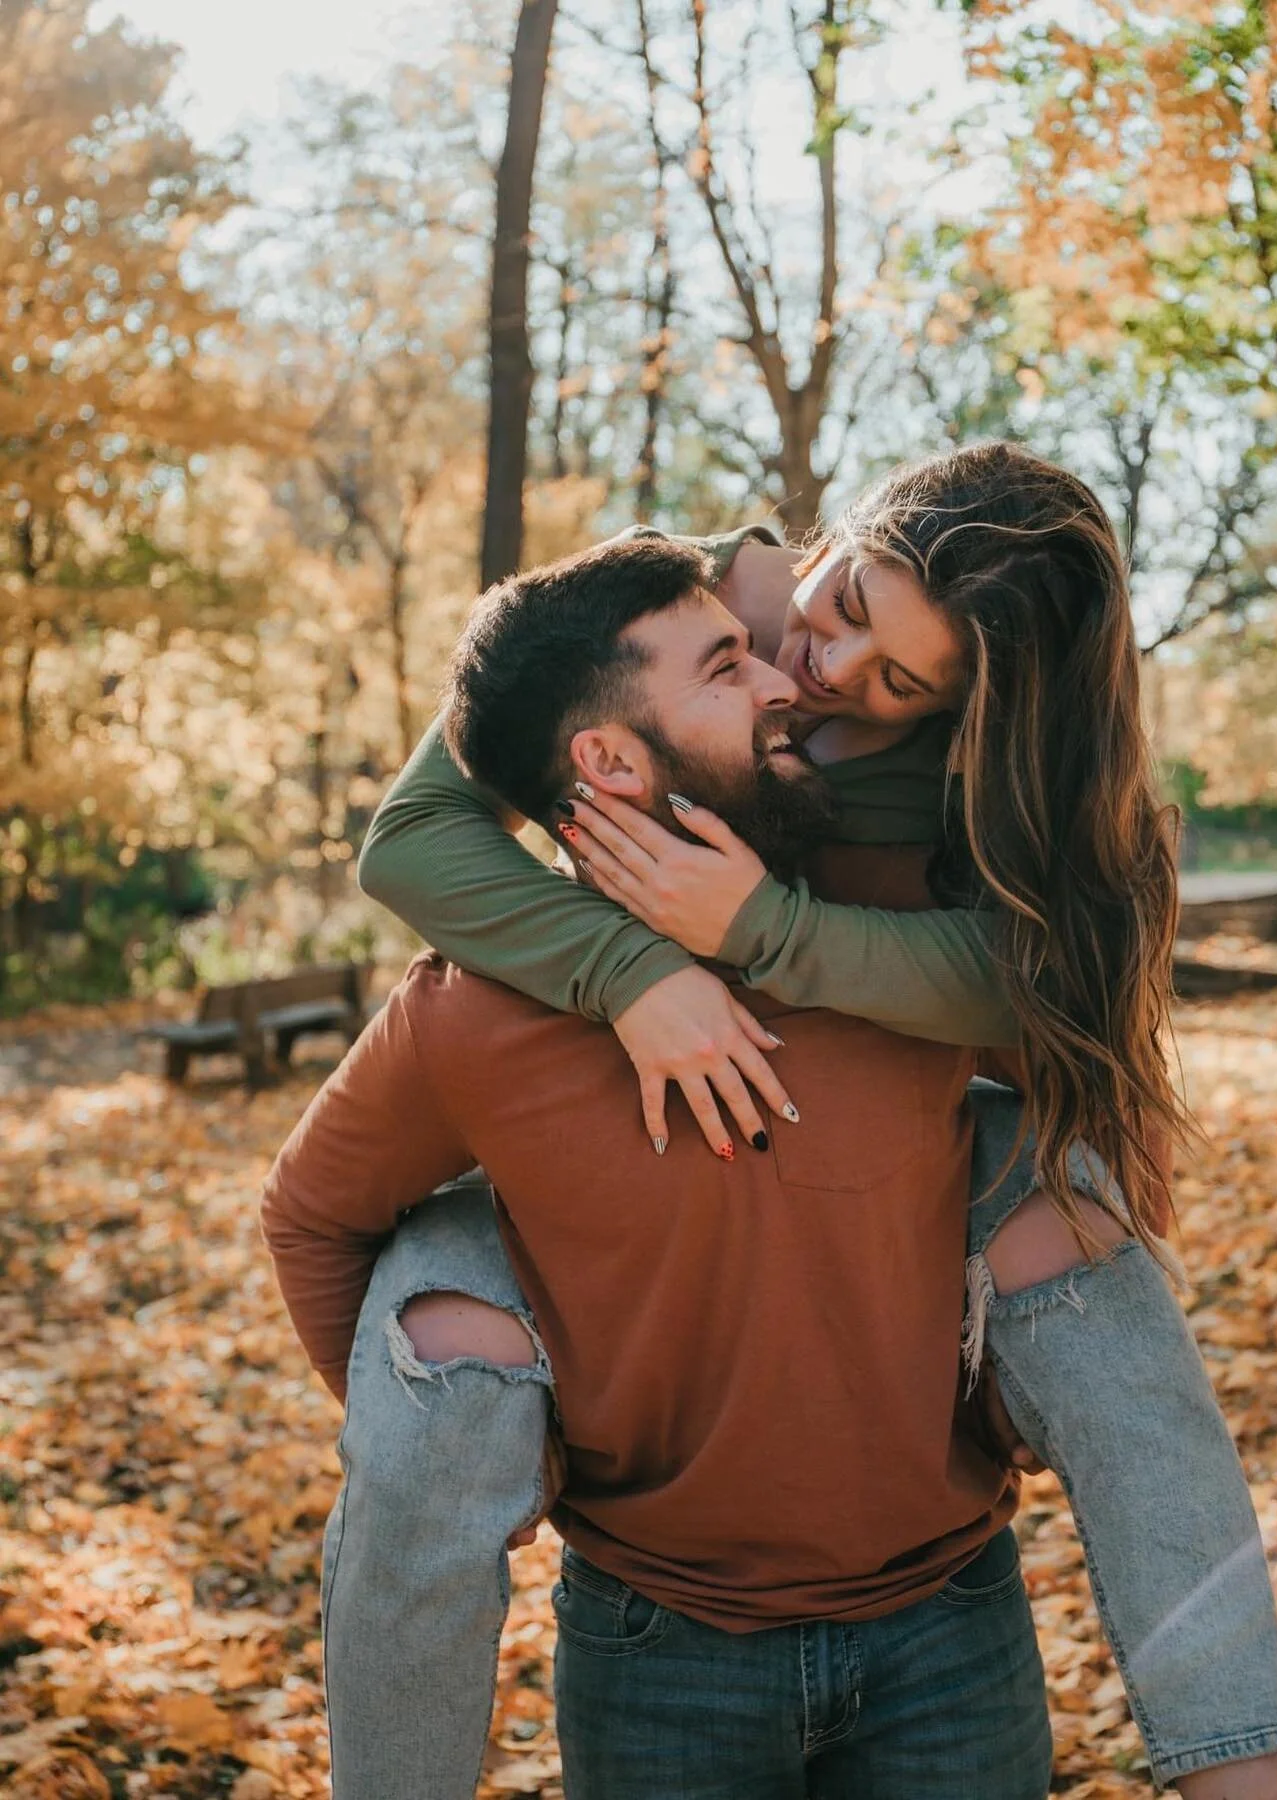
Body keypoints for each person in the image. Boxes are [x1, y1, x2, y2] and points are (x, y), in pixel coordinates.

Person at [346, 448, 1277, 1794]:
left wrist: (763, 931)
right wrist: (636, 972)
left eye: (900, 681)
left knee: (1096, 1285)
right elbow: (409, 839)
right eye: (845, 597)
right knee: (436, 1309)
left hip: (917, 1143)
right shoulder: (678, 604)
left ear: (974, 706)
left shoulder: (1015, 773)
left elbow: (1053, 992)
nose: (824, 666)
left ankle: (1241, 1764)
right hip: (653, 1284)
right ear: (846, 530)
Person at [266, 537, 1058, 1798]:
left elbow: (1084, 1047)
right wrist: (471, 1446)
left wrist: (1023, 1374)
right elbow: (310, 1217)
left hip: (951, 1626)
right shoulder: (472, 1014)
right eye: (727, 668)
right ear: (610, 762)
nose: (792, 683)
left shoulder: (905, 944)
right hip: (658, 1656)